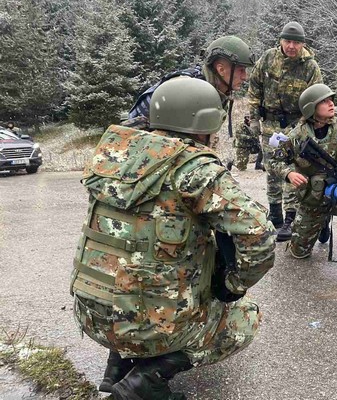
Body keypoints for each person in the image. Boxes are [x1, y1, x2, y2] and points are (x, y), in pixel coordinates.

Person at [70, 76, 276, 400]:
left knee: (133, 267)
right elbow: (260, 234)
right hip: (142, 325)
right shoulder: (195, 167)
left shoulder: (116, 154)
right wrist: (233, 285)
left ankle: (117, 370)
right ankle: (147, 379)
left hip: (89, 312)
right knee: (244, 317)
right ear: (203, 124)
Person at [270, 83, 337, 279]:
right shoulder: (297, 135)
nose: (331, 103)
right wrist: (289, 174)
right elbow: (274, 160)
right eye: (324, 101)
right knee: (298, 253)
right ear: (311, 108)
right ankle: (321, 223)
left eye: (331, 99)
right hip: (313, 199)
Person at [248, 21, 323, 242]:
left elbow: (317, 98)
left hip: (296, 123)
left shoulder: (310, 67)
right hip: (270, 123)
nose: (291, 46)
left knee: (292, 168)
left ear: (302, 44)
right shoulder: (268, 59)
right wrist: (254, 119)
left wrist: (305, 126)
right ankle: (275, 215)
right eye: (288, 41)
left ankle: (291, 217)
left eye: (296, 42)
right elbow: (254, 89)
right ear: (280, 41)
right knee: (272, 168)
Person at [125, 36, 256, 146]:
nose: (245, 77)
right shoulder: (186, 89)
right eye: (241, 70)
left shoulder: (216, 90)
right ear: (221, 69)